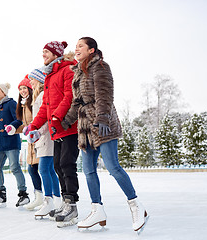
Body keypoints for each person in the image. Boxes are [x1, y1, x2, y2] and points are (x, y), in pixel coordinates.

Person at [61, 37, 148, 232]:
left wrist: (102, 117)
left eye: (80, 46)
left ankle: (136, 206)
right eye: (75, 47)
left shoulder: (100, 66)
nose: (76, 49)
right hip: (85, 127)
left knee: (113, 166)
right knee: (89, 170)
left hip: (102, 124)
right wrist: (65, 121)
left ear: (92, 49)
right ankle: (97, 210)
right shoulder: (78, 72)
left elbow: (105, 94)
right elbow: (77, 102)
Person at [27, 41, 79, 227]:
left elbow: (69, 96)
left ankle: (71, 204)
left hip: (68, 126)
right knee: (57, 165)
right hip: (56, 129)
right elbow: (45, 108)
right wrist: (33, 125)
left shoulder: (67, 69)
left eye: (46, 52)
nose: (43, 55)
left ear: (56, 53)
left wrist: (57, 117)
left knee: (66, 164)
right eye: (42, 52)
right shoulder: (50, 76)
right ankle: (65, 203)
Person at [25, 68, 62, 218]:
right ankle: (56, 200)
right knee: (49, 170)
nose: (30, 83)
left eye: (32, 79)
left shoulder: (41, 96)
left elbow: (46, 119)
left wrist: (37, 132)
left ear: (39, 80)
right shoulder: (38, 97)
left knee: (44, 169)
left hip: (45, 138)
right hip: (43, 137)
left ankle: (49, 201)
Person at [0, 83, 30, 208]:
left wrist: (12, 126)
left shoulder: (11, 103)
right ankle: (1, 194)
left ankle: (23, 194)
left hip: (11, 142)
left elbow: (19, 119)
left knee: (14, 167)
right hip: (0, 144)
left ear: (4, 92)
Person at [14, 76, 43, 210]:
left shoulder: (34, 102)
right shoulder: (23, 105)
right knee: (32, 169)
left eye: (24, 88)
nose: (22, 91)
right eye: (20, 89)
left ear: (30, 89)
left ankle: (50, 197)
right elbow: (25, 125)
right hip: (31, 141)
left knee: (43, 169)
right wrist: (13, 129)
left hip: (39, 139)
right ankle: (39, 196)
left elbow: (37, 120)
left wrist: (30, 128)